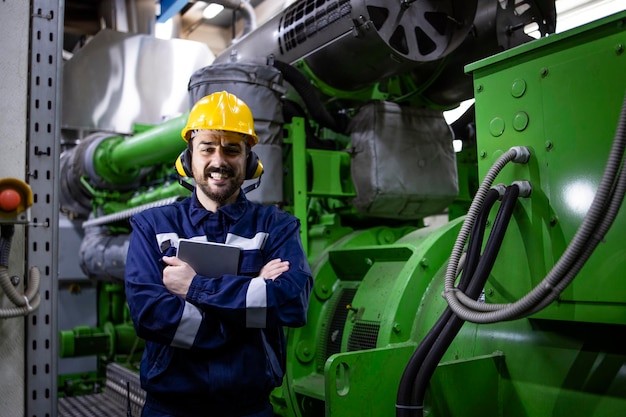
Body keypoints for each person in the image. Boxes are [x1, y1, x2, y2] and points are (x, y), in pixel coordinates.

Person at [125, 91, 313, 417]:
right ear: (188, 158)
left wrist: (195, 288)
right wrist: (250, 303)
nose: (219, 160)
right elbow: (149, 315)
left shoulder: (277, 227)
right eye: (207, 147)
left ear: (250, 161)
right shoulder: (152, 226)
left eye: (231, 149)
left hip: (249, 408)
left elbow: (292, 303)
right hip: (170, 408)